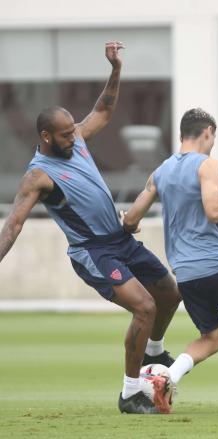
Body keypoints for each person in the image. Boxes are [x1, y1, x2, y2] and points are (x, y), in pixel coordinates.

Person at [0, 42, 181, 415]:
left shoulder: (76, 141)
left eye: (73, 130)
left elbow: (103, 109)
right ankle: (130, 394)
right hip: (93, 252)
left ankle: (154, 352)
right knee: (144, 307)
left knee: (170, 293)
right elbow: (14, 225)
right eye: (66, 134)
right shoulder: (38, 176)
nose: (75, 136)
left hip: (120, 238)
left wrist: (115, 68)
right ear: (46, 137)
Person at [122, 108, 218, 412]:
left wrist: (131, 225)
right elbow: (215, 210)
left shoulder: (161, 171)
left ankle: (166, 376)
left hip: (186, 272)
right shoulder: (208, 166)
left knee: (214, 336)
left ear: (181, 134)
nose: (213, 142)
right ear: (207, 132)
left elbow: (131, 218)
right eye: (213, 136)